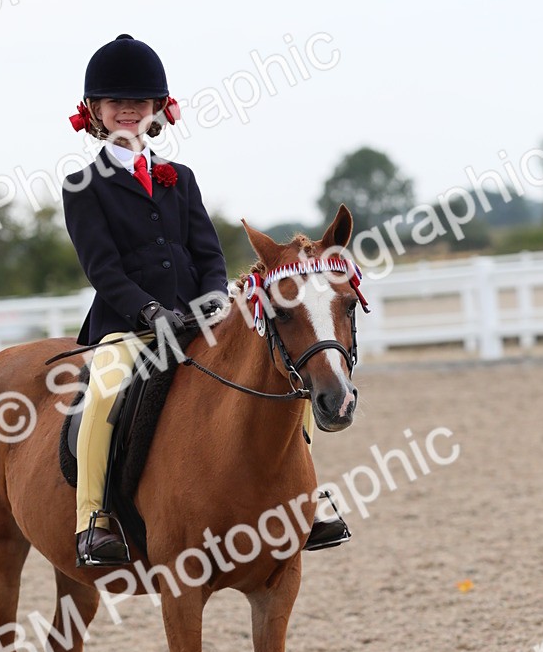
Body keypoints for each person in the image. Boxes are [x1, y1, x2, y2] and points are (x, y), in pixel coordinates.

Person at [62, 33, 349, 567]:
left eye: (140, 103)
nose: (129, 110)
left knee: (286, 368)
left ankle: (305, 501)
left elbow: (207, 252)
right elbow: (102, 268)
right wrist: (150, 311)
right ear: (95, 113)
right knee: (103, 388)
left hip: (199, 320)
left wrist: (216, 296)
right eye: (116, 103)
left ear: (157, 111)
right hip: (131, 325)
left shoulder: (181, 178)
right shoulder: (83, 185)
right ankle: (94, 517)